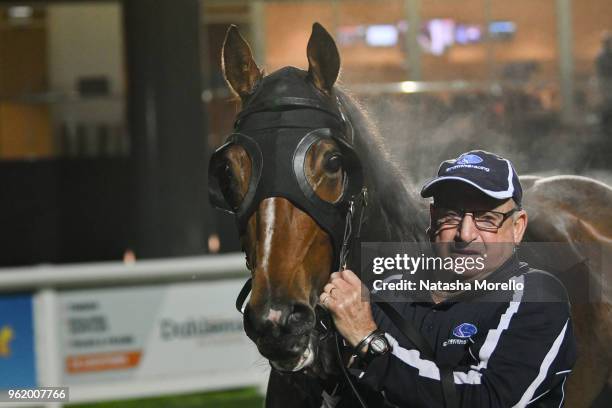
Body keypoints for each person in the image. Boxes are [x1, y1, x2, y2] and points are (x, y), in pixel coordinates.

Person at [319, 150, 576, 407]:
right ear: (432, 220)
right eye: (451, 215)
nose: (465, 234)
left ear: (517, 227)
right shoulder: (387, 290)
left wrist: (369, 343)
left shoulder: (538, 296)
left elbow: (489, 400)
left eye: (487, 218)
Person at [596, 31, 612, 137]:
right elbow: (601, 69)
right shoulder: (601, 55)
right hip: (605, 83)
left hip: (607, 82)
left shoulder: (605, 55)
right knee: (606, 102)